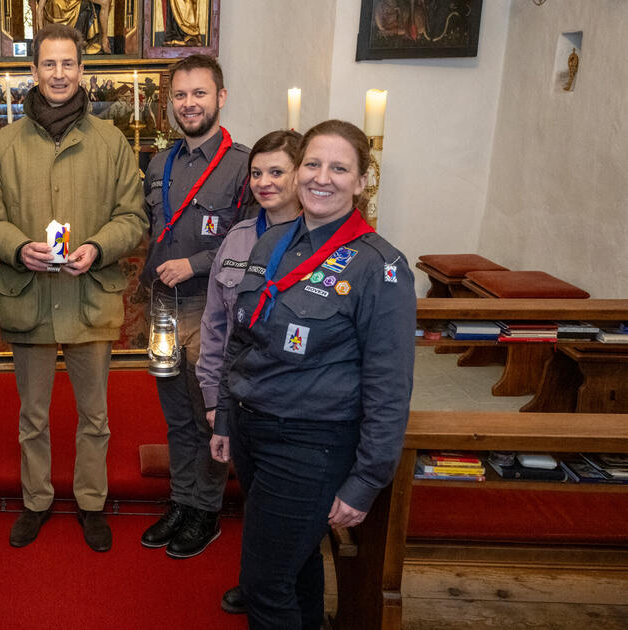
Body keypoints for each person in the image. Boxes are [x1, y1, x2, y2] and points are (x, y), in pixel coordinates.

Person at [211, 119, 416, 628]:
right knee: (296, 567)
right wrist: (223, 418)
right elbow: (241, 336)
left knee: (263, 584)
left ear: (362, 181)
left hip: (312, 442)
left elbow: (389, 386)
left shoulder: (380, 266)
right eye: (314, 164)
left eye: (340, 167)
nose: (323, 177)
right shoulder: (271, 243)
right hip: (254, 428)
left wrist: (367, 479)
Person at [0, 23, 147, 553]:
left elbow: (133, 218)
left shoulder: (112, 142)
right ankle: (36, 500)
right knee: (33, 415)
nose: (59, 73)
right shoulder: (2, 145)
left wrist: (96, 246)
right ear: (34, 71)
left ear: (81, 70)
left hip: (90, 295)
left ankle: (91, 501)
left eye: (68, 64)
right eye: (49, 64)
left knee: (96, 415)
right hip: (29, 296)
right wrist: (20, 247)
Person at [137, 54, 251, 560]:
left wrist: (196, 263)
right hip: (162, 310)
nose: (189, 104)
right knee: (177, 416)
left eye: (199, 94)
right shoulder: (160, 163)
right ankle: (181, 501)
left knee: (208, 415)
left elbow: (250, 241)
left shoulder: (243, 165)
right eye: (180, 96)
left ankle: (206, 509)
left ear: (220, 98)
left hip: (209, 311)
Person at [198, 128, 303, 613]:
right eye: (257, 173)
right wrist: (214, 399)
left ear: (302, 174)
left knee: (292, 511)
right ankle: (256, 581)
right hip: (240, 397)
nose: (264, 182)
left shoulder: (323, 242)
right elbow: (217, 326)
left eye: (277, 172)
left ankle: (277, 591)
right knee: (258, 500)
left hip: (296, 403)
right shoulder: (239, 237)